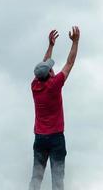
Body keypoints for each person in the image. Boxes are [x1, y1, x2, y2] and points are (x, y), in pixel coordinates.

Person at [28, 26, 80, 190]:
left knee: (36, 177)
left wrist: (50, 46)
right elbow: (70, 63)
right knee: (57, 180)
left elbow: (43, 67)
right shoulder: (55, 85)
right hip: (56, 137)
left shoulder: (35, 86)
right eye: (50, 68)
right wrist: (75, 42)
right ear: (50, 74)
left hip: (40, 138)